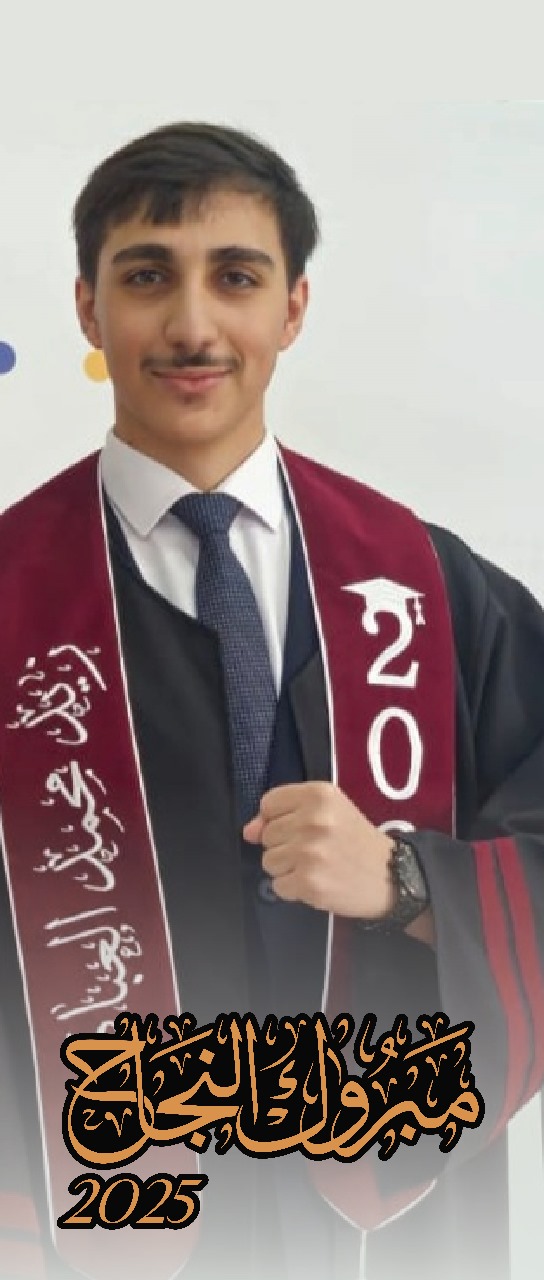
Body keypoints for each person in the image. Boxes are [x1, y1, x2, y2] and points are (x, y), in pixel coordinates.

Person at [0, 120, 543, 1280]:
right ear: (88, 309)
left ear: (293, 307)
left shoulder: (433, 592)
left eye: (236, 277)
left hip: (391, 1211)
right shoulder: (6, 599)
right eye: (148, 276)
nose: (194, 326)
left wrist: (411, 883)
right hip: (86, 1198)